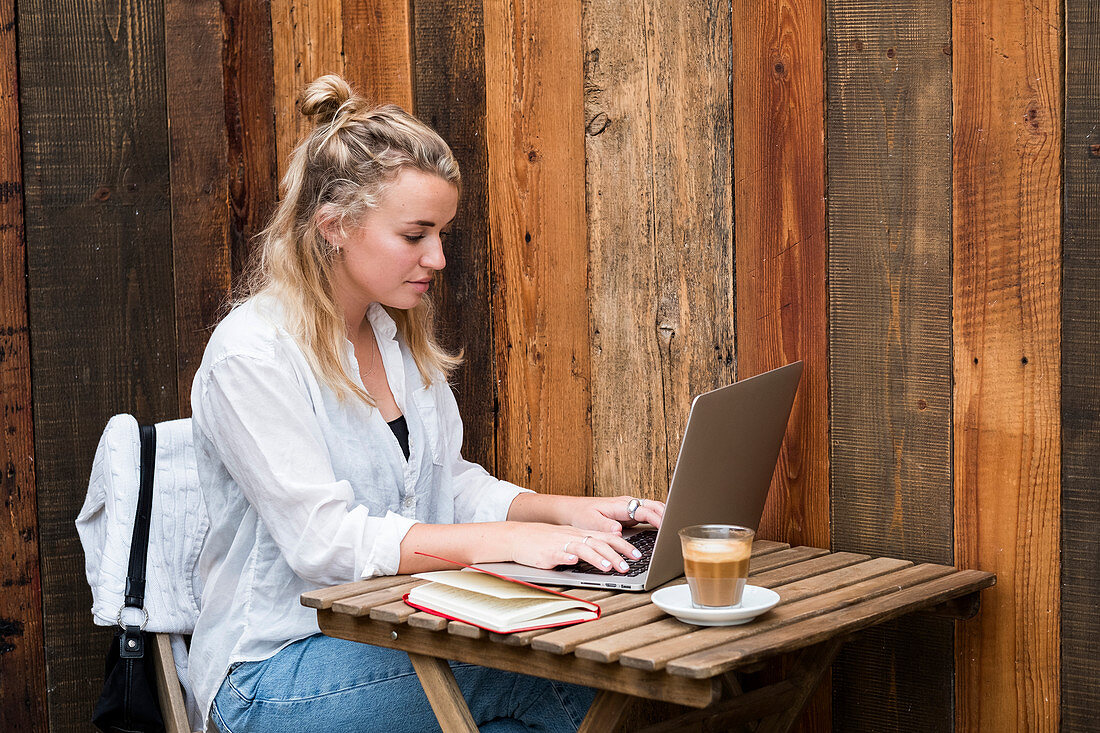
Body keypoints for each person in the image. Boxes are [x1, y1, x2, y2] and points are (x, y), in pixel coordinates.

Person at [187, 73, 666, 733]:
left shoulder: (393, 333)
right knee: (556, 674)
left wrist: (565, 512)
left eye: (441, 233)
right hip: (275, 671)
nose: (437, 256)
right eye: (415, 235)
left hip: (396, 627)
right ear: (332, 225)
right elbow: (324, 543)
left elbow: (447, 486)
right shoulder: (253, 355)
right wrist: (502, 541)